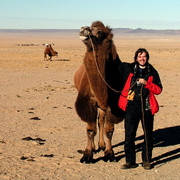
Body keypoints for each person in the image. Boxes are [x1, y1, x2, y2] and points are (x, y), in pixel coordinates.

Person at [118, 48, 162, 170]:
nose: (142, 59)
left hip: (146, 107)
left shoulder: (152, 72)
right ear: (136, 58)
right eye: (139, 56)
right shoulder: (129, 69)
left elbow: (158, 89)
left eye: (144, 57)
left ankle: (146, 161)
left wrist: (147, 83)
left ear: (147, 58)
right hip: (131, 106)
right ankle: (130, 161)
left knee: (148, 135)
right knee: (129, 135)